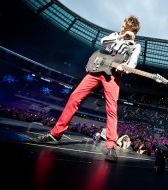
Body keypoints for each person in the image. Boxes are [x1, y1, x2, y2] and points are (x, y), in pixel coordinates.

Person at [29, 15, 141, 162]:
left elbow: (132, 64)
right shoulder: (115, 35)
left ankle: (111, 146)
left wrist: (123, 69)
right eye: (122, 25)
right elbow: (103, 41)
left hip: (113, 76)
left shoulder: (135, 46)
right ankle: (55, 134)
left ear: (131, 29)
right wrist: (120, 36)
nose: (122, 27)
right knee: (74, 97)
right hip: (96, 70)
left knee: (112, 109)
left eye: (124, 27)